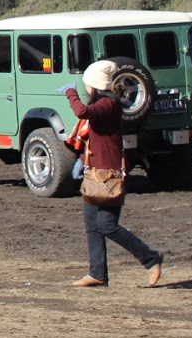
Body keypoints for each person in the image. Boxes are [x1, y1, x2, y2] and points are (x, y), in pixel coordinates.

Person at [65, 60, 163, 288]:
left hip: (110, 174)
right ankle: (97, 273)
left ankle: (151, 258)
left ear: (94, 84)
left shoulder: (108, 104)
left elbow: (81, 111)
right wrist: (82, 161)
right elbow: (94, 140)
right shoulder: (104, 103)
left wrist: (70, 93)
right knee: (92, 224)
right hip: (96, 172)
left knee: (107, 225)